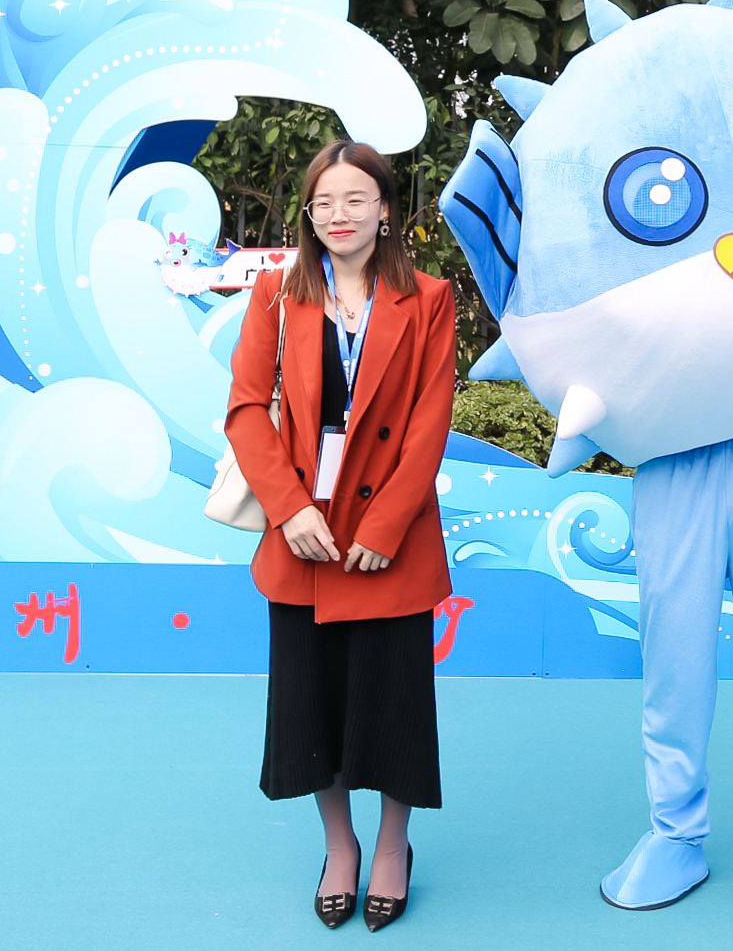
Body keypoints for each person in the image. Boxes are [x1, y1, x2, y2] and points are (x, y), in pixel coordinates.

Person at [225, 140, 458, 932]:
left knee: (392, 702)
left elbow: (430, 419)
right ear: (308, 213)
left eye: (355, 198)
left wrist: (388, 522)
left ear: (385, 209)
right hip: (306, 530)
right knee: (313, 703)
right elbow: (246, 409)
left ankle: (392, 846)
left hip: (389, 529)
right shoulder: (275, 293)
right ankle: (340, 846)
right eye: (323, 201)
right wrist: (289, 509)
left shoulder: (429, 298)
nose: (338, 214)